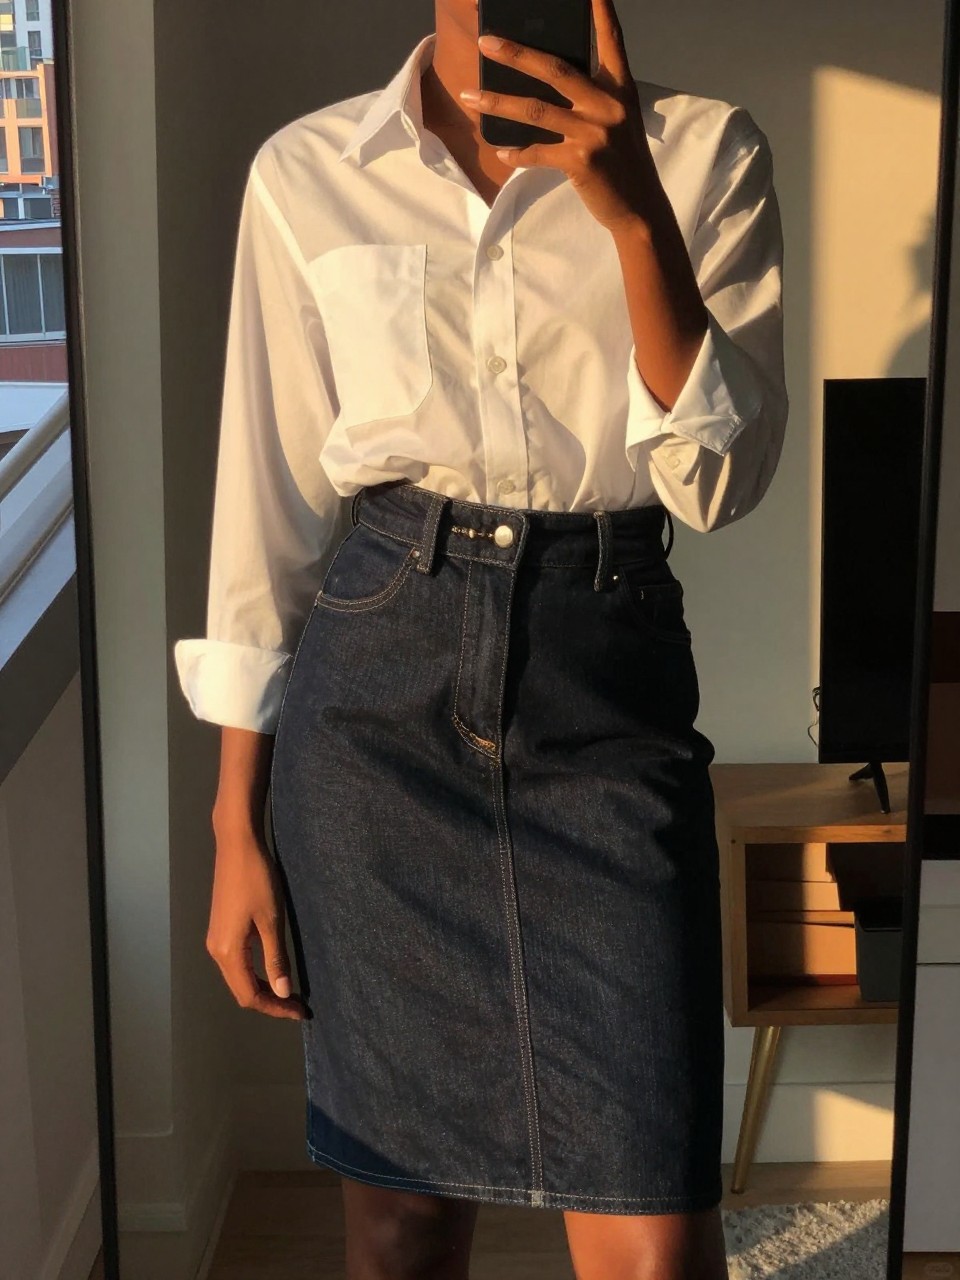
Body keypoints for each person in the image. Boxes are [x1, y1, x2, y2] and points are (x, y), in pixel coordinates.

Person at [173, 0, 788, 1275]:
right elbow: (268, 507)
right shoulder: (307, 173)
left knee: (655, 1227)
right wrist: (238, 819)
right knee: (400, 1220)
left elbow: (718, 482)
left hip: (603, 691)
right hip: (377, 695)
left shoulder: (704, 153)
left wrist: (630, 216)